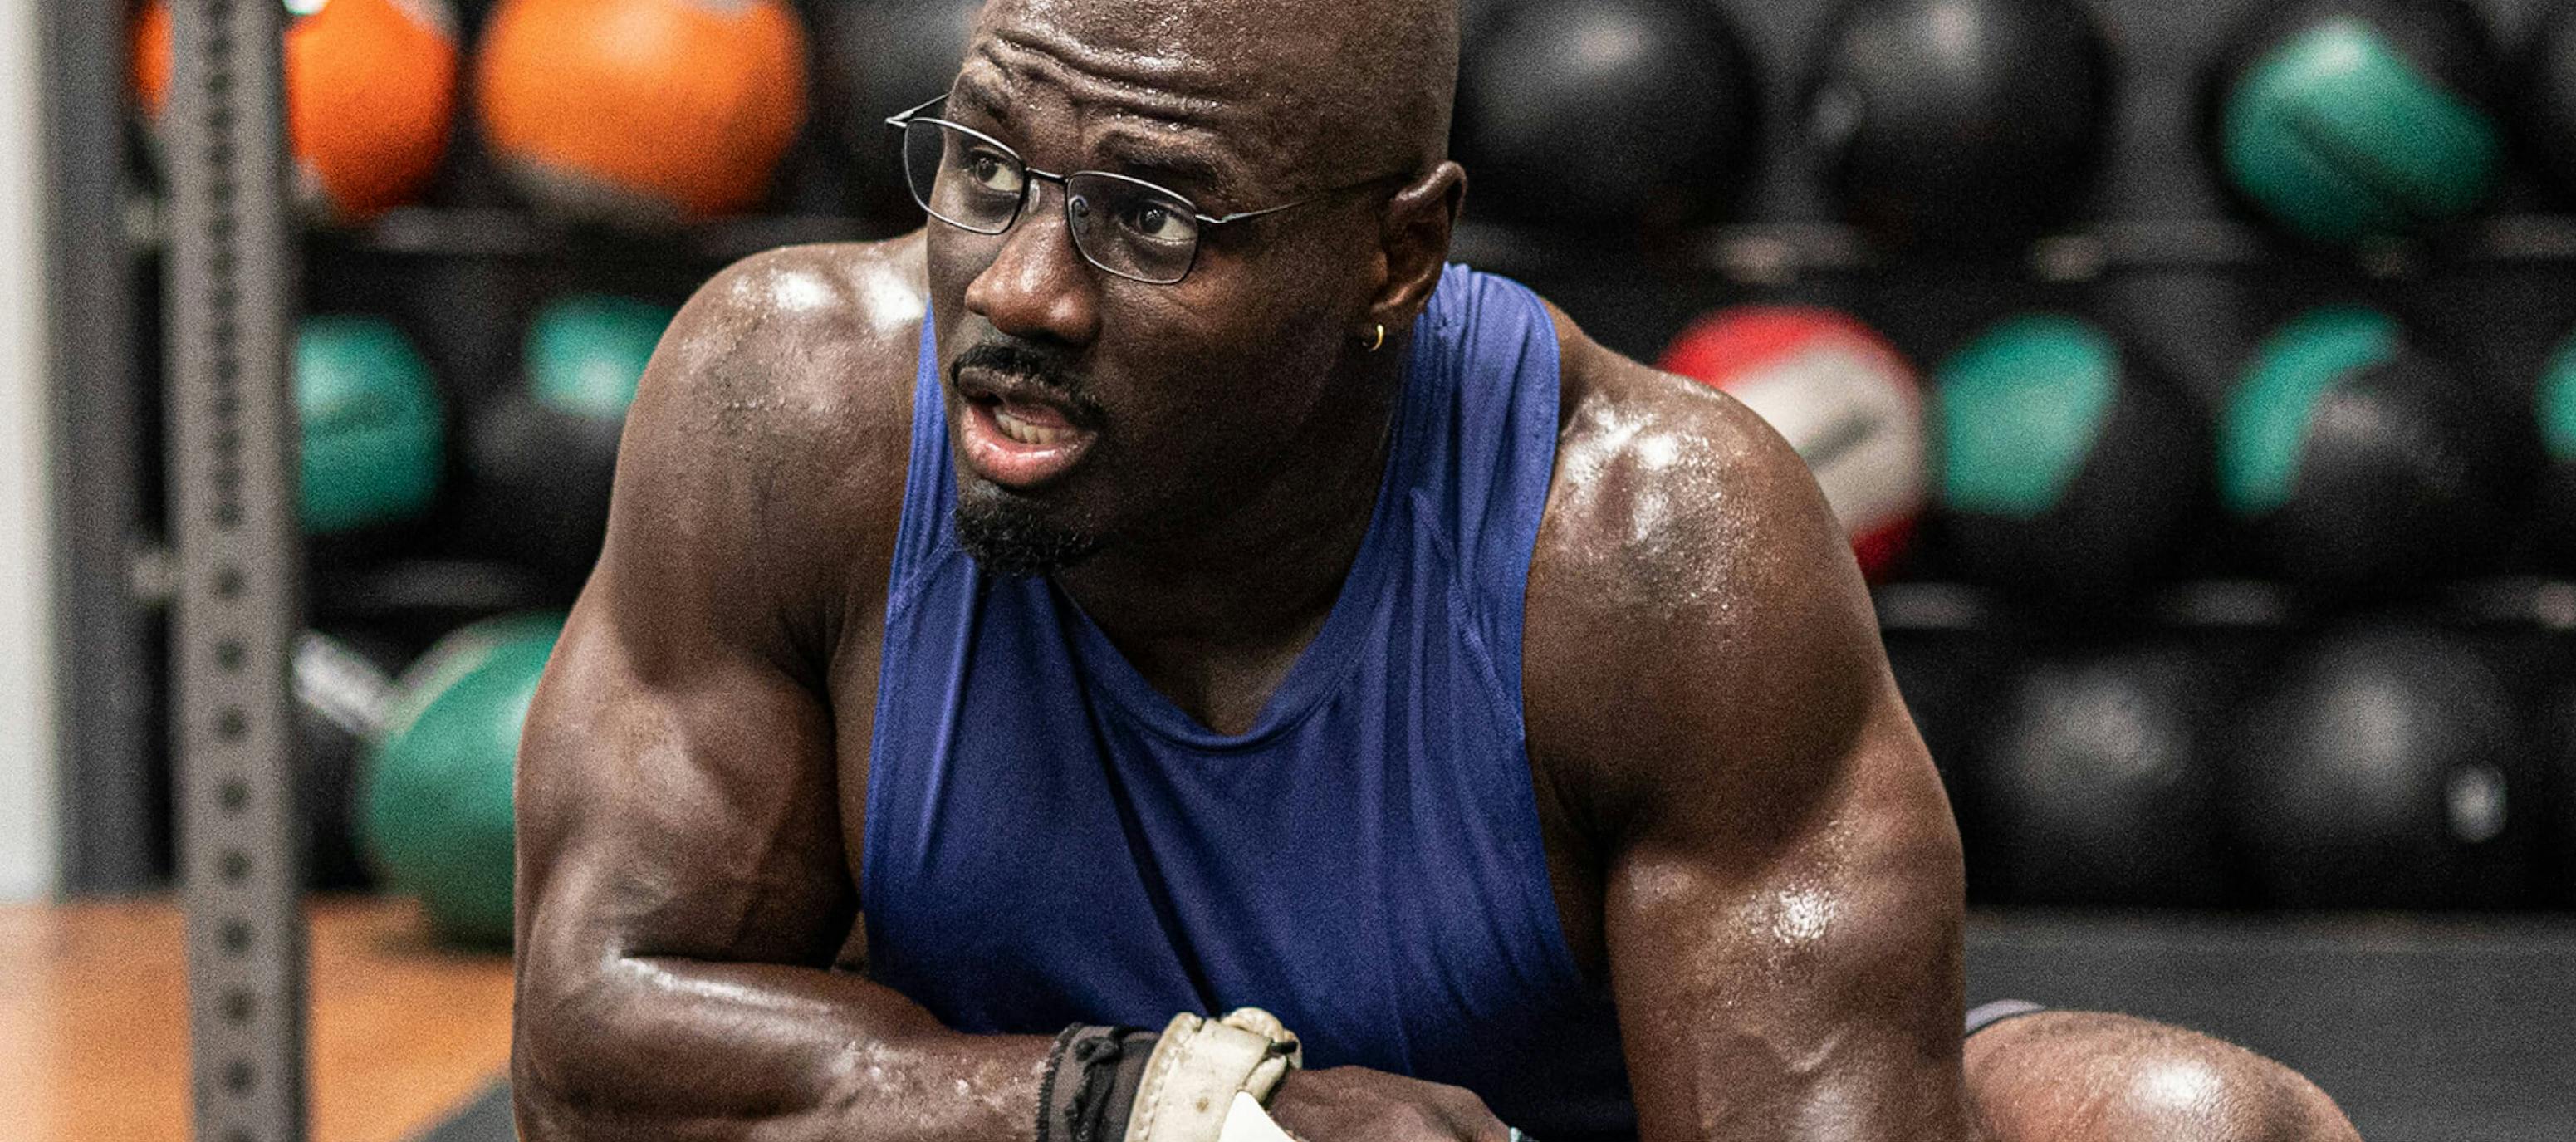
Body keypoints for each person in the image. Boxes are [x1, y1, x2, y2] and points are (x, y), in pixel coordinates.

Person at [509, 0, 2363, 1139]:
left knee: (2192, 1127)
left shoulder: (1654, 545)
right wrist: (1159, 1111)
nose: (1018, 290)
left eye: (1153, 217)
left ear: (1396, 259)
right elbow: (596, 1053)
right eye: (985, 166)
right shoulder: (789, 409)